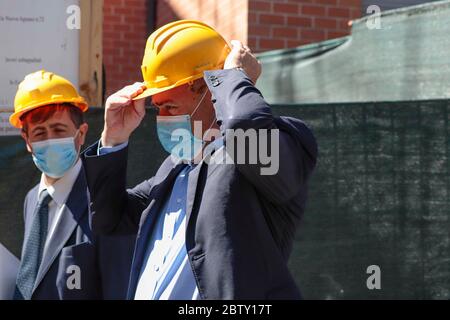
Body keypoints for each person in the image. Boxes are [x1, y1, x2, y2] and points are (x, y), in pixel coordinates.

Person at [82, 20, 318, 299]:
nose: (163, 118)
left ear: (210, 89)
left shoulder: (274, 144)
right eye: (158, 108)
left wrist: (234, 76)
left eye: (170, 106)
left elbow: (244, 126)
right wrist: (113, 138)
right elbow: (109, 218)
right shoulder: (175, 167)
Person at [9, 70, 134, 300]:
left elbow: (119, 287)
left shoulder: (104, 200)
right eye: (39, 133)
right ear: (27, 141)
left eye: (58, 130)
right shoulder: (32, 199)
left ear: (81, 134)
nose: (49, 140)